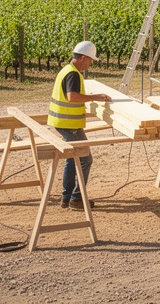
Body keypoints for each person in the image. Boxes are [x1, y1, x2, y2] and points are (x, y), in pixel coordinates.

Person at [48, 40, 111, 209]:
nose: (90, 64)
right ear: (83, 58)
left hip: (62, 122)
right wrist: (95, 97)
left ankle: (67, 198)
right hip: (70, 125)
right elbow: (72, 97)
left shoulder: (66, 70)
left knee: (72, 158)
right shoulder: (73, 74)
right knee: (85, 159)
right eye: (90, 60)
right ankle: (76, 198)